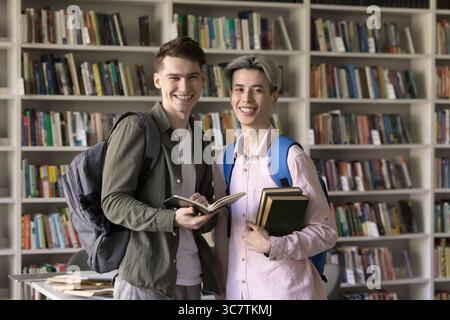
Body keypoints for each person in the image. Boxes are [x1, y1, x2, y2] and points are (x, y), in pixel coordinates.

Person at [101, 37, 224, 300]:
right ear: (158, 81)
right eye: (174, 78)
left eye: (192, 77)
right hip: (146, 281)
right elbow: (112, 202)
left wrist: (203, 211)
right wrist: (171, 219)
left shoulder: (201, 137)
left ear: (202, 80)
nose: (184, 86)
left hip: (193, 278)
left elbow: (203, 219)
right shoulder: (137, 128)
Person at [221, 55, 338, 299]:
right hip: (238, 292)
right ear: (230, 95)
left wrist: (273, 246)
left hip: (286, 292)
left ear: (274, 96)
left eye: (257, 90)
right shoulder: (226, 158)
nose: (246, 99)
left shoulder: (290, 157)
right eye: (239, 89)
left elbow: (326, 232)